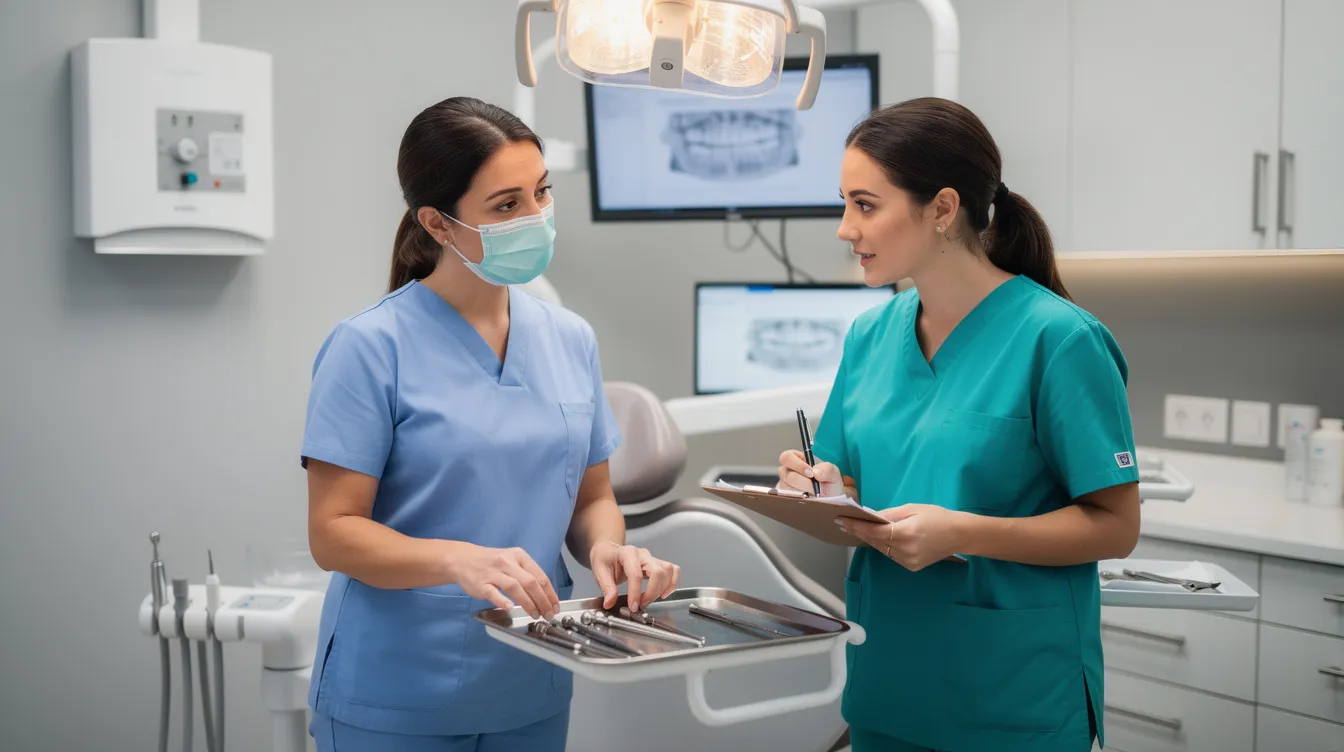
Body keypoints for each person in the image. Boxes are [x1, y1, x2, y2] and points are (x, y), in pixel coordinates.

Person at [300, 97, 681, 751]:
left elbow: (591, 498)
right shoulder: (368, 347)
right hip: (396, 694)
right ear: (438, 224)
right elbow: (334, 534)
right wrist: (455, 559)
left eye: (541, 193)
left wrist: (607, 549)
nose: (535, 218)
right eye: (506, 206)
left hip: (529, 678)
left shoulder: (570, 339)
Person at [777, 97, 1141, 752]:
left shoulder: (1059, 341)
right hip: (887, 681)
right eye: (844, 203)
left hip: (1010, 696)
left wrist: (963, 533)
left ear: (942, 209)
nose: (843, 227)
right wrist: (822, 488)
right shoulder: (870, 335)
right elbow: (852, 483)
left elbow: (1116, 527)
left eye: (865, 205)